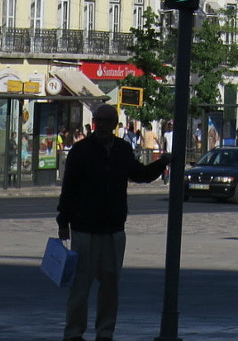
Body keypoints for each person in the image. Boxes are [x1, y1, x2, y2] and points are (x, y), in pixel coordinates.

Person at [56, 104, 167, 341]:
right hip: (84, 227)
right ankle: (74, 333)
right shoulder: (81, 150)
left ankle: (105, 332)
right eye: (100, 121)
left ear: (115, 125)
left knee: (110, 285)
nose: (104, 126)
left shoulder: (122, 150)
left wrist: (162, 163)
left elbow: (140, 174)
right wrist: (63, 221)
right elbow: (69, 188)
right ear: (94, 123)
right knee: (80, 286)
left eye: (109, 122)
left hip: (114, 229)